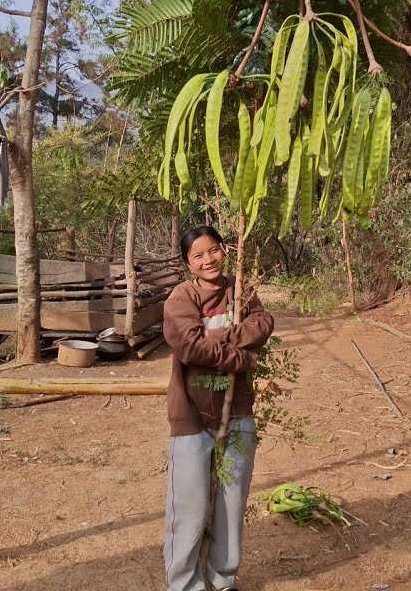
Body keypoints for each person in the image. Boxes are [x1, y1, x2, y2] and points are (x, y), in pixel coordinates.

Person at [162, 226, 274, 591]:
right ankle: (184, 585)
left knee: (231, 503)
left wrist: (219, 337)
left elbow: (263, 324)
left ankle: (223, 580)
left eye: (213, 250)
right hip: (191, 415)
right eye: (198, 255)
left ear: (224, 250)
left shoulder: (239, 290)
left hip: (238, 410)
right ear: (187, 263)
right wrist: (240, 357)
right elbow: (189, 348)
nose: (208, 260)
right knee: (190, 508)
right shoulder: (182, 297)